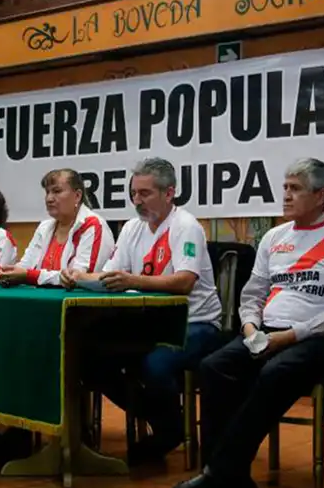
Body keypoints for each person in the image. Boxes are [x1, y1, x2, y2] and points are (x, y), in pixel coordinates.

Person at [172, 158, 324, 488]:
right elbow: (252, 294)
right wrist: (249, 327)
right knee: (215, 366)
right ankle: (232, 480)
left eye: (295, 188)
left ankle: (216, 474)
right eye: (285, 187)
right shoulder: (274, 238)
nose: (286, 195)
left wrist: (291, 336)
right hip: (265, 331)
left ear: (321, 195)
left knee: (274, 372)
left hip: (321, 339)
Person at [64, 158, 225, 463]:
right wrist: (79, 276)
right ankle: (163, 419)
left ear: (169, 193)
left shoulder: (186, 227)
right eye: (133, 194)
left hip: (195, 323)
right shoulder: (131, 230)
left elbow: (184, 281)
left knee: (155, 365)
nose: (137, 201)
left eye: (145, 194)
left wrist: (132, 280)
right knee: (88, 356)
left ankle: (167, 430)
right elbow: (111, 274)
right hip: (148, 322)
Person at [0, 169, 114, 287]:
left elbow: (77, 278)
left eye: (57, 191)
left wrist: (29, 276)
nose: (49, 198)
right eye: (47, 192)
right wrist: (11, 274)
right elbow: (25, 266)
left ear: (77, 196)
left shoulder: (92, 225)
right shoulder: (44, 227)